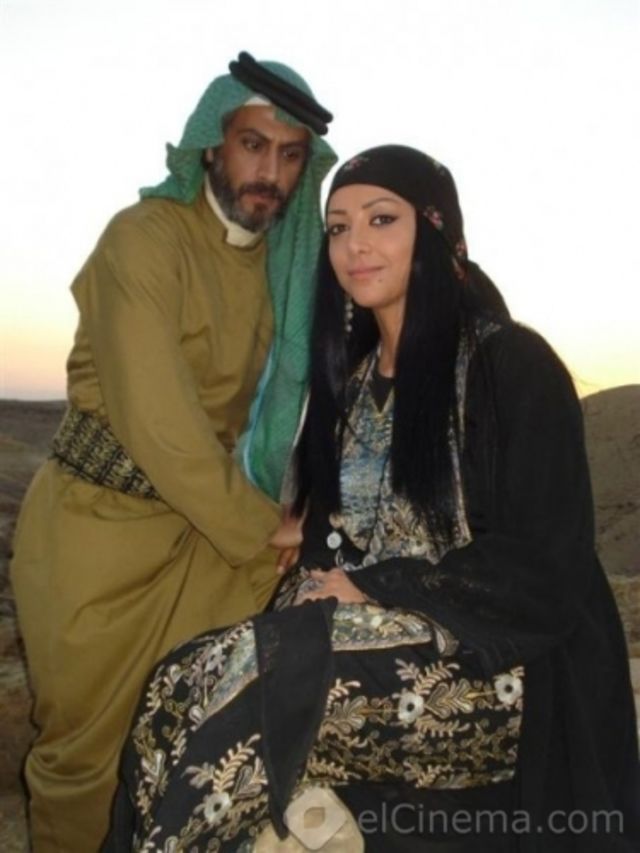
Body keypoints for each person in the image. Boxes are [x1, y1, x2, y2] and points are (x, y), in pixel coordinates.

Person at [103, 145, 640, 852]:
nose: (355, 244)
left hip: (494, 665)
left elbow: (544, 565)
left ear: (436, 230)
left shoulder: (509, 364)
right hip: (368, 643)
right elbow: (331, 544)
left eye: (382, 219)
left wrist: (377, 586)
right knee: (179, 679)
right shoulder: (351, 384)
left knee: (252, 690)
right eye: (338, 227)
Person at [9, 52, 337, 853]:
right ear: (211, 145)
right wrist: (264, 528)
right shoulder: (142, 240)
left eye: (290, 155)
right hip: (98, 537)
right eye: (253, 145)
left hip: (204, 542)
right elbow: (161, 423)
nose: (270, 173)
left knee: (217, 722)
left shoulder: (279, 270)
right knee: (84, 756)